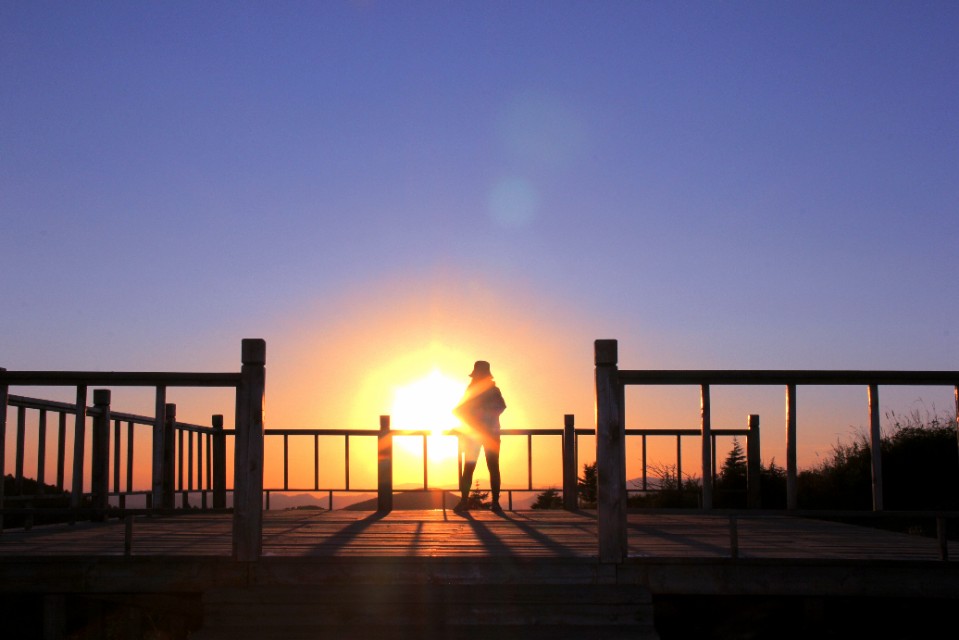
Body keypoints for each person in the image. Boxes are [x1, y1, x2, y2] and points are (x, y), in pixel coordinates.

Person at [452, 360, 507, 513]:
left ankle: (464, 502)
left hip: (475, 435)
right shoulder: (493, 390)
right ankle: (495, 503)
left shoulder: (474, 390)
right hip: (489, 434)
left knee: (470, 468)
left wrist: (472, 420)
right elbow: (501, 407)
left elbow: (457, 410)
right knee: (493, 468)